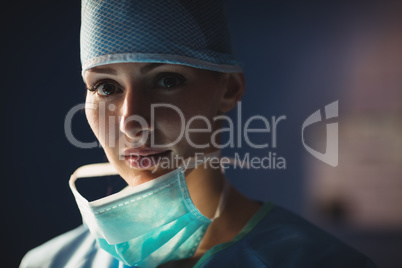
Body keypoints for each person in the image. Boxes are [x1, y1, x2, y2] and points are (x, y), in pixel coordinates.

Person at [20, 0, 377, 267]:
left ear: (229, 90)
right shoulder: (49, 262)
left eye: (166, 80)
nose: (131, 121)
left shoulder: (320, 262)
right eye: (105, 87)